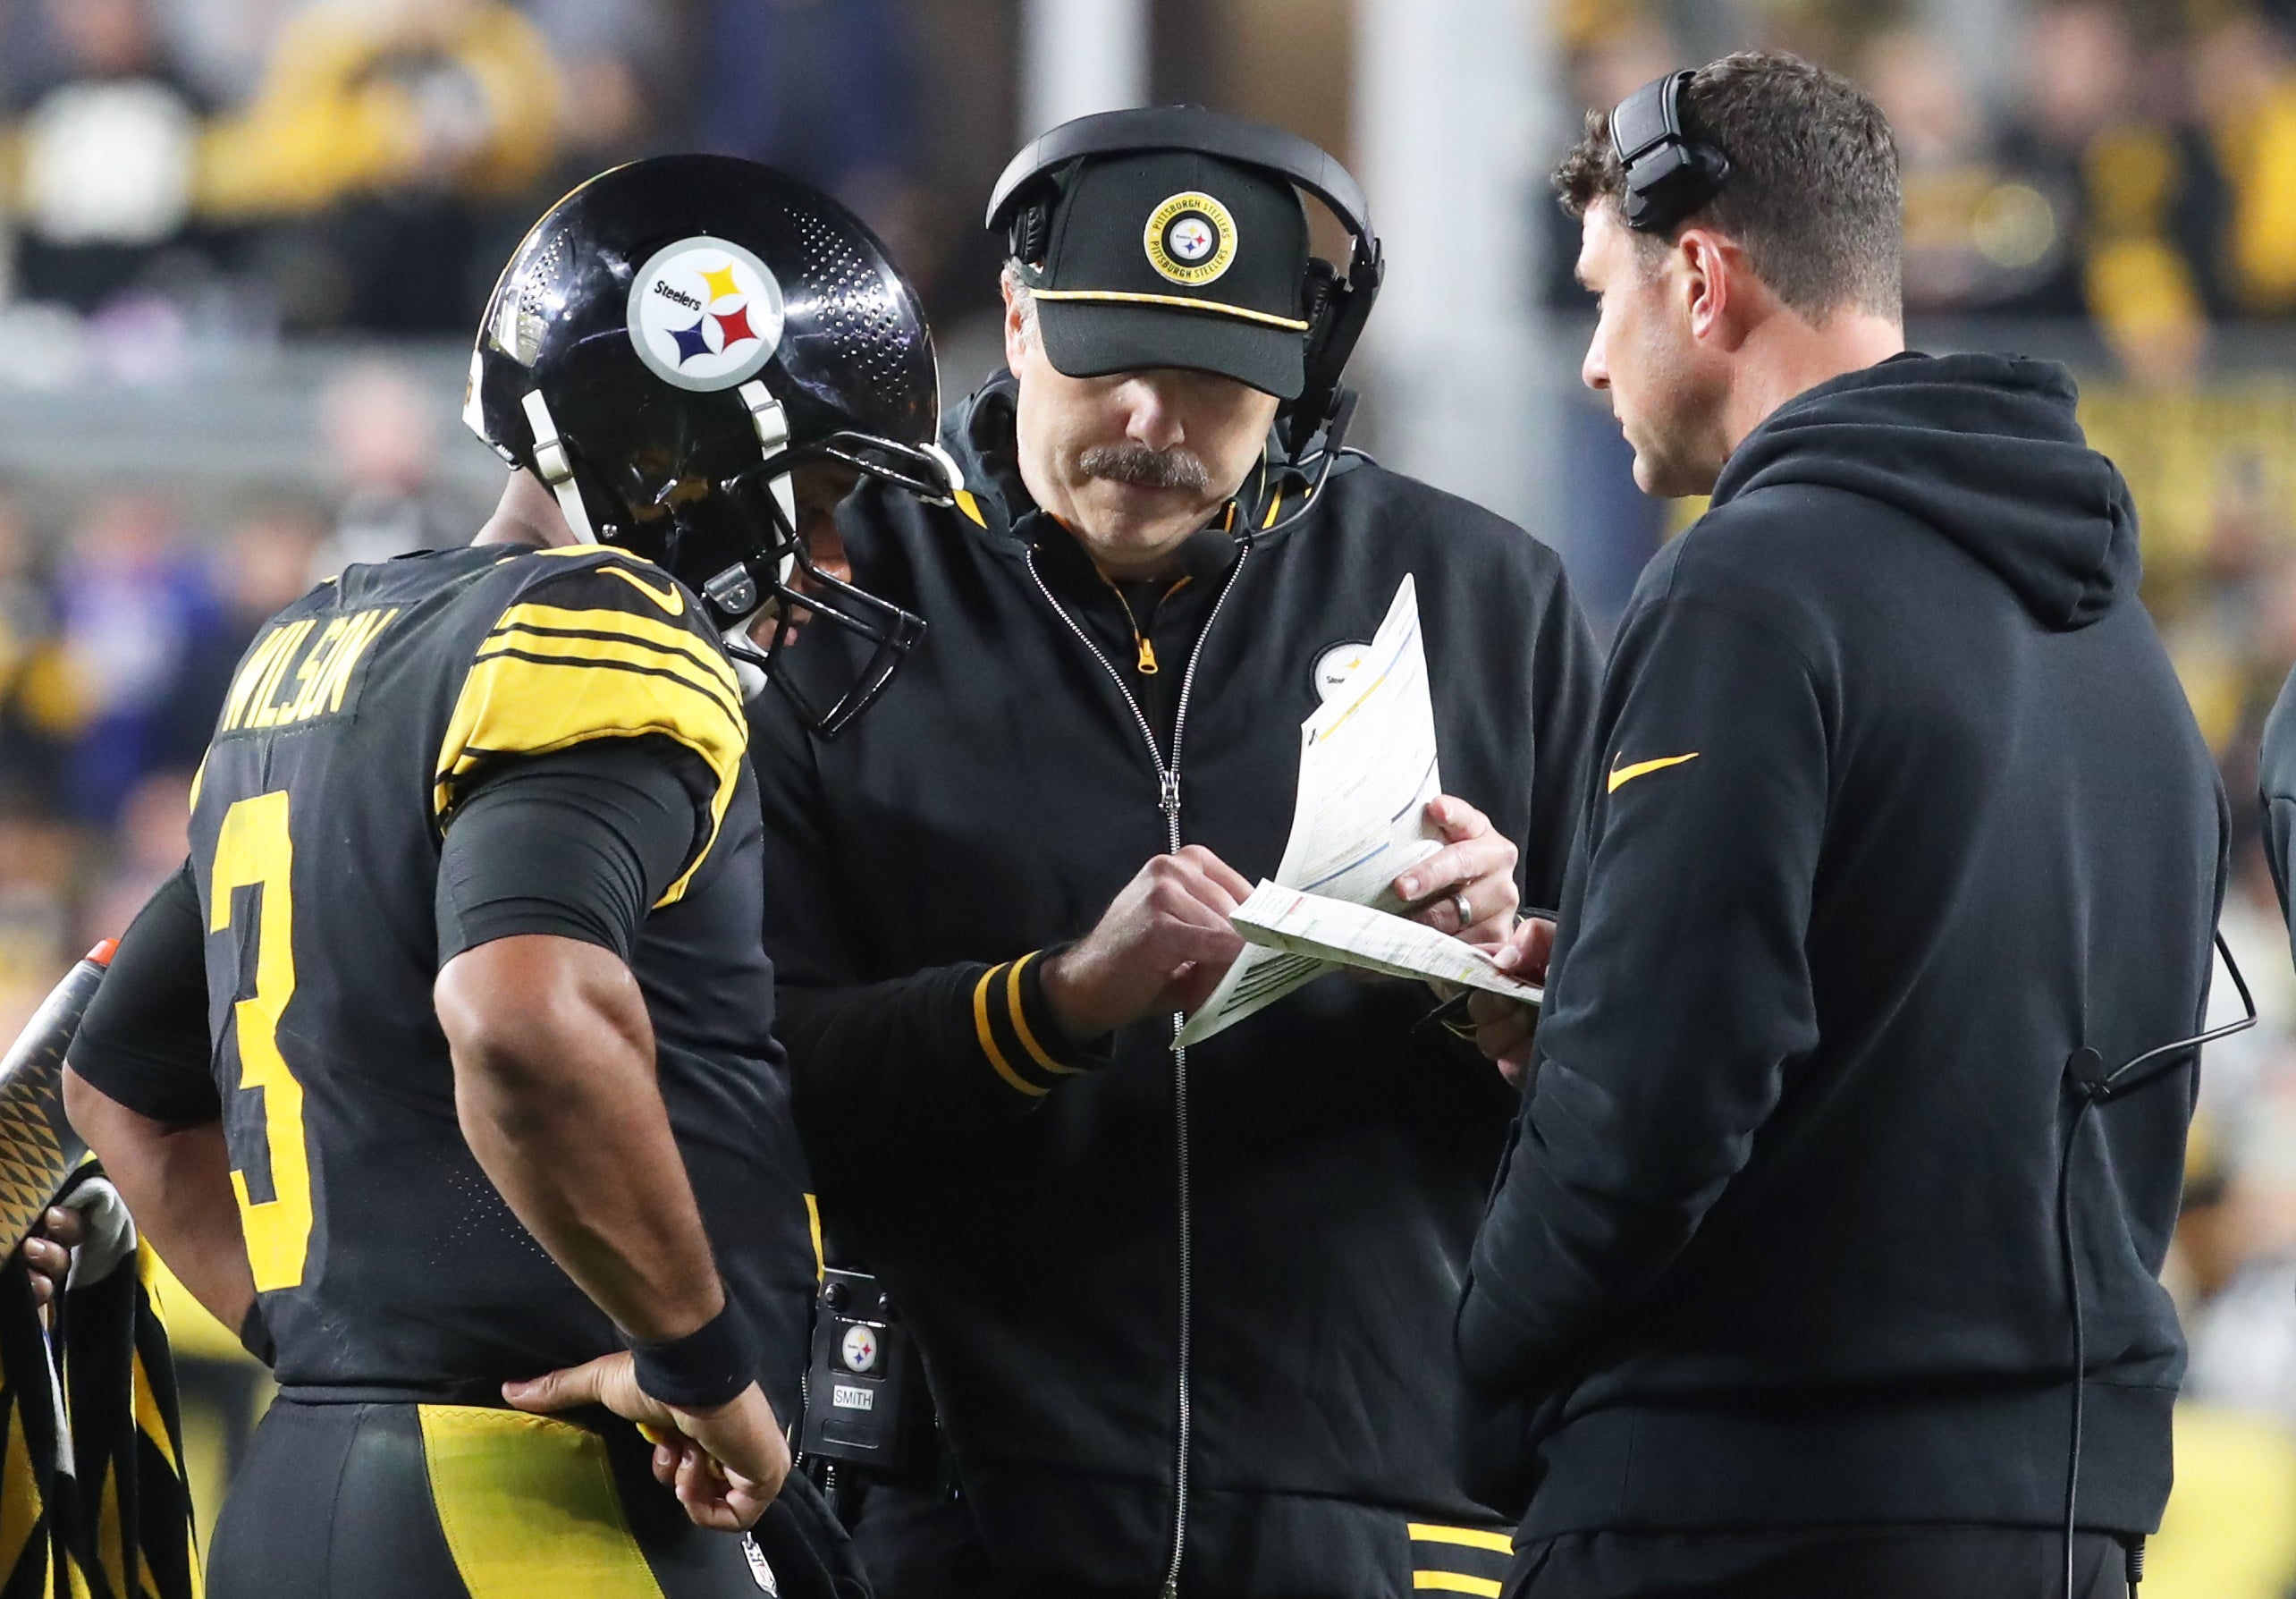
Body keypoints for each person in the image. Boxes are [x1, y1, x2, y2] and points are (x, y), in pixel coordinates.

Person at [60, 154, 957, 1597]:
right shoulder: (606, 633)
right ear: (685, 450)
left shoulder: (326, 651)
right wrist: (705, 1372)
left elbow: (120, 1089)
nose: (840, 555)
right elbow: (524, 1013)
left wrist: (356, 1350)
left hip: (307, 1492)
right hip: (536, 1517)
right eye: (828, 489)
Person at [751, 106, 1602, 1599]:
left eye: (1215, 378)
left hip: (1386, 1506)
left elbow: (1647, 1077)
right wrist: (1057, 999)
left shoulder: (1486, 600)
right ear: (1012, 321)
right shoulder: (827, 595)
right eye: (1106, 356)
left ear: (1302, 380)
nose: (1151, 418)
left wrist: (1517, 983)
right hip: (959, 1511)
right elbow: (749, 1075)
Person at [1458, 53, 2225, 1599]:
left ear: (1700, 278)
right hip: (2061, 1519)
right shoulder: (2121, 642)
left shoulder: (1749, 586)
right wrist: (1595, 991)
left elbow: (1658, 1111)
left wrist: (1475, 1359)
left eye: (1603, 297)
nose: (1593, 361)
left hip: (1748, 1513)